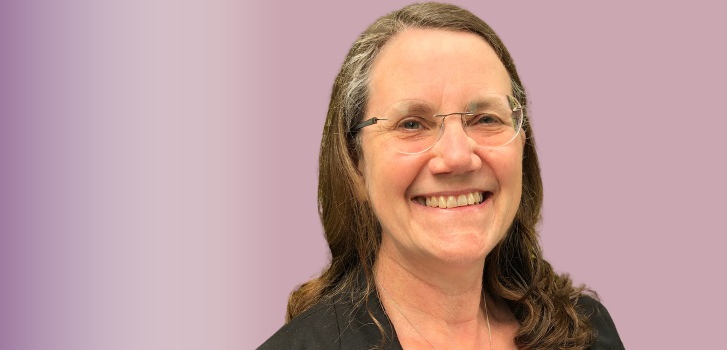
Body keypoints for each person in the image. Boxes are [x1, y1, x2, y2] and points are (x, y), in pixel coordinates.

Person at [260, 3, 623, 349]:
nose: (457, 157)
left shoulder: (588, 333)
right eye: (412, 124)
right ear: (355, 165)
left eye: (486, 119)